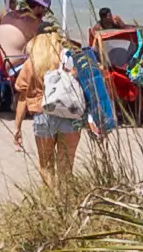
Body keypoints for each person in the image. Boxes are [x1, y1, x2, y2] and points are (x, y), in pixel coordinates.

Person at [12, 17, 87, 191]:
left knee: (46, 166)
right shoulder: (68, 60)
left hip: (42, 114)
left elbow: (23, 96)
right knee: (66, 168)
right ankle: (67, 203)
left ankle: (51, 204)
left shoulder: (32, 63)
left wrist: (17, 126)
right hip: (70, 113)